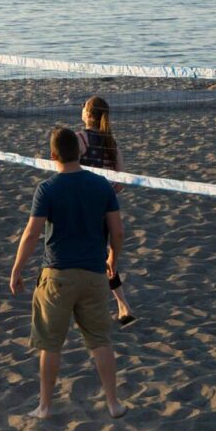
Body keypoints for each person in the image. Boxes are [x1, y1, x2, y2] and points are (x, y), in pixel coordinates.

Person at [9, 127, 127, 420]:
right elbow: (118, 232)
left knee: (50, 344)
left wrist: (16, 270)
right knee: (100, 341)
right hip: (94, 275)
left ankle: (45, 406)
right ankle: (113, 403)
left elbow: (32, 234)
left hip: (58, 275)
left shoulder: (48, 189)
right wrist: (113, 258)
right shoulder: (101, 185)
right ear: (80, 153)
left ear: (52, 156)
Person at [75, 96, 134, 325]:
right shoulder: (111, 141)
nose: (81, 109)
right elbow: (120, 183)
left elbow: (69, 170)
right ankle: (122, 305)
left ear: (88, 115)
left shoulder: (80, 139)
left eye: (84, 107)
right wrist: (105, 194)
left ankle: (119, 305)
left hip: (84, 208)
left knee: (91, 259)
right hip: (106, 207)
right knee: (103, 259)